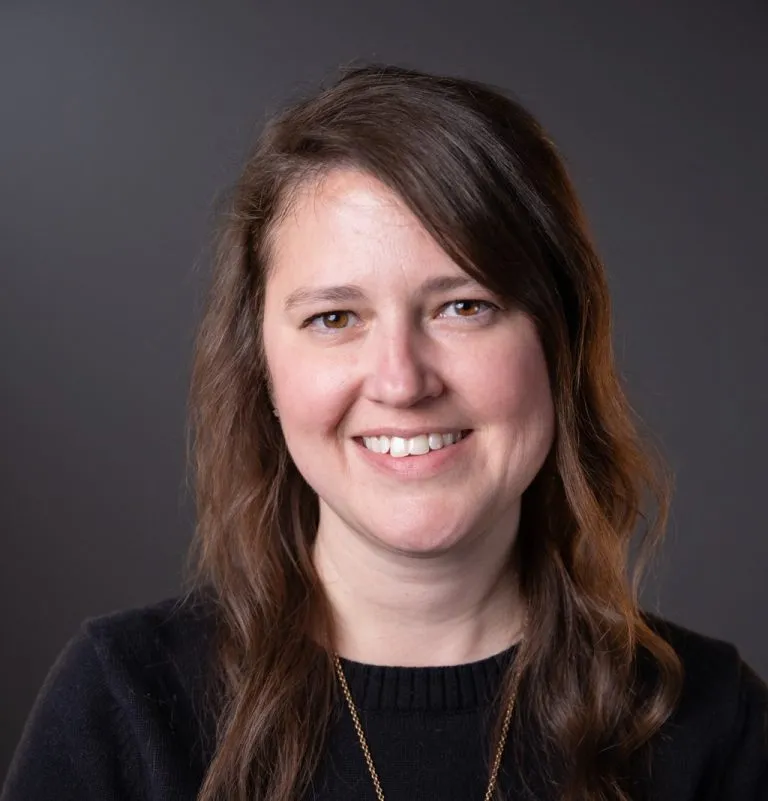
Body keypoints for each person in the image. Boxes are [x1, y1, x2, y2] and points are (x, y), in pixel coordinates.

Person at [2, 63, 766, 801]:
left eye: (463, 306)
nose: (402, 381)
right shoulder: (123, 706)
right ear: (261, 367)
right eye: (334, 318)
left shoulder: (716, 725)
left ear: (559, 343)